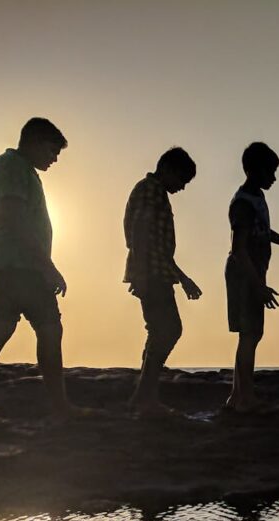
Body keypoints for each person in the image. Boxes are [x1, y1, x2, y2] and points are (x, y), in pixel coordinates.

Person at [0, 117, 78, 423]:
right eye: (51, 150)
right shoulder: (11, 166)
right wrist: (47, 266)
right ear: (34, 142)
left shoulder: (24, 171)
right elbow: (14, 217)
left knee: (18, 328)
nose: (54, 158)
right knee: (22, 328)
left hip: (21, 266)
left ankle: (58, 408)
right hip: (17, 267)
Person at [224, 142, 279, 413]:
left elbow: (265, 232)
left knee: (250, 335)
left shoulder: (257, 199)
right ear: (254, 170)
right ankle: (245, 398)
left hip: (253, 273)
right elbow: (239, 249)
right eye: (270, 171)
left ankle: (237, 396)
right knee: (250, 334)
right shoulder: (243, 203)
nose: (274, 177)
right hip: (243, 273)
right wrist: (258, 285)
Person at [123, 147, 201, 416]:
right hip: (151, 273)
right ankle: (144, 397)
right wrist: (142, 275)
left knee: (159, 331)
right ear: (167, 169)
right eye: (182, 180)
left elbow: (159, 247)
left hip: (157, 270)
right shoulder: (151, 190)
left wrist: (183, 278)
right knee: (168, 330)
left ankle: (143, 396)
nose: (181, 187)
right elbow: (140, 233)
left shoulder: (154, 192)